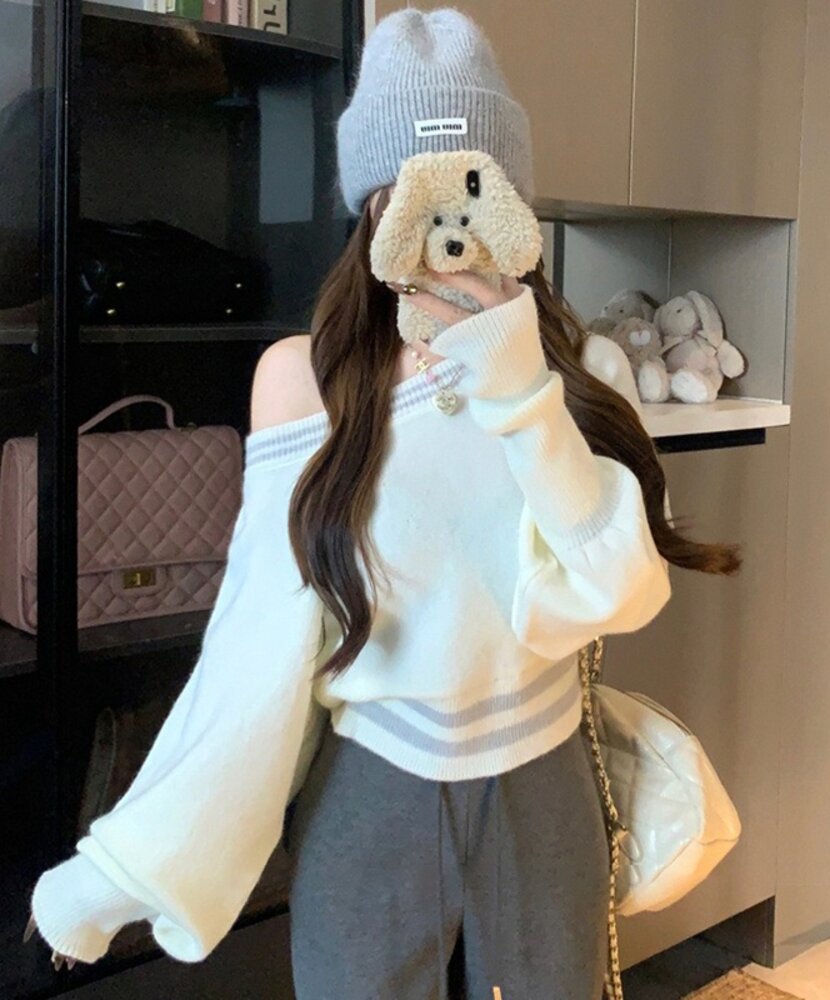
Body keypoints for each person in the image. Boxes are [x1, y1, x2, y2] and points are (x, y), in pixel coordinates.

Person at [26, 8, 739, 998]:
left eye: (474, 188)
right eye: (411, 194)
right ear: (371, 211)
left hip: (544, 778)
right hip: (374, 784)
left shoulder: (579, 374)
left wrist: (521, 392)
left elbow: (624, 591)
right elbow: (258, 642)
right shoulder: (304, 380)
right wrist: (123, 868)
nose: (448, 233)